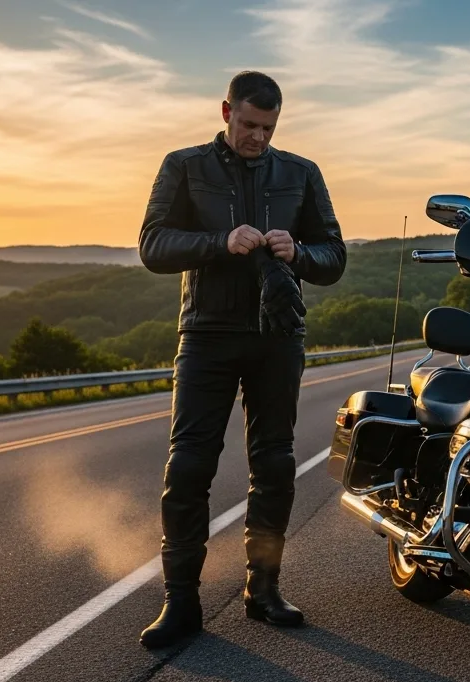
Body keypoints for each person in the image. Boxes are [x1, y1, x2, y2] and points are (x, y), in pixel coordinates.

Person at [136, 71, 345, 648]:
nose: (258, 137)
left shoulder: (301, 173)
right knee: (188, 467)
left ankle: (264, 588)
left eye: (268, 128)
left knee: (275, 464)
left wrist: (298, 252)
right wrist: (219, 243)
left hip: (278, 336)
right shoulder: (184, 166)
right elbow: (153, 245)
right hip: (206, 334)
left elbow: (334, 257)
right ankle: (181, 602)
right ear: (227, 111)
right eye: (249, 124)